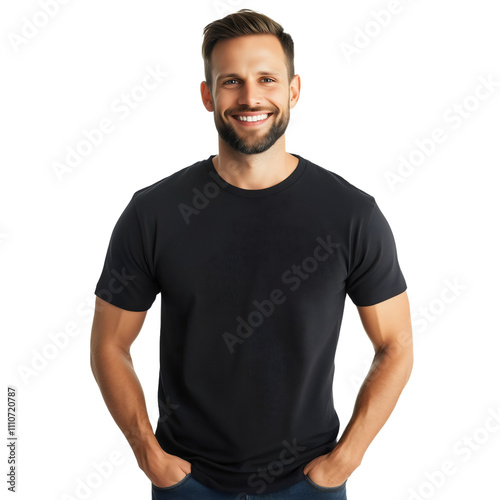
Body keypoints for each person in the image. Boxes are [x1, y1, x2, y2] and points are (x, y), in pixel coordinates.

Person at [90, 9, 413, 500]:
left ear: (293, 90)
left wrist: (345, 459)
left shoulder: (351, 215)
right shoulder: (154, 212)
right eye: (231, 82)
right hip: (187, 482)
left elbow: (397, 345)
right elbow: (109, 345)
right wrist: (150, 457)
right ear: (207, 96)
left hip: (310, 483)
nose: (250, 97)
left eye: (266, 78)